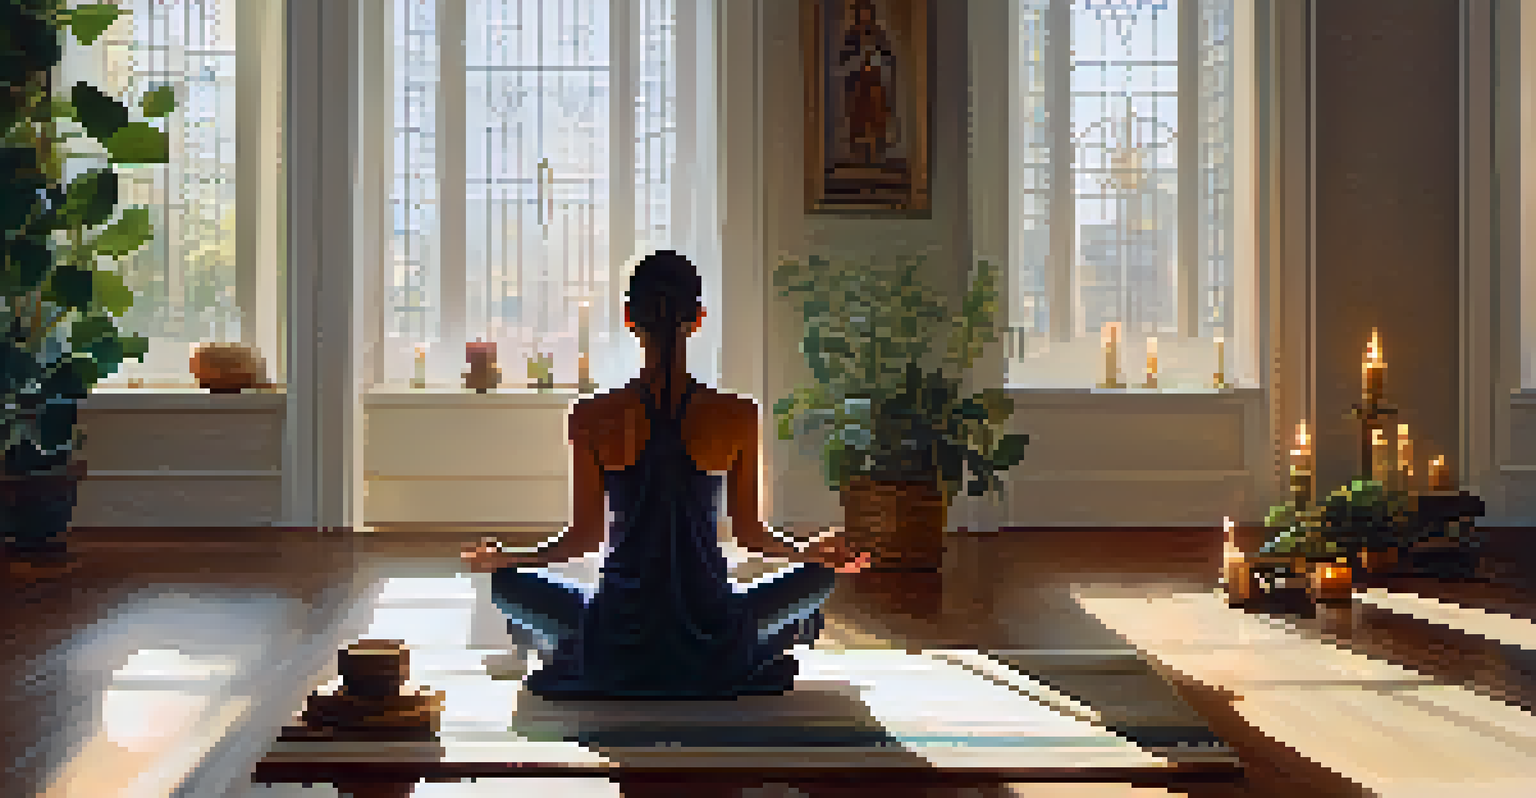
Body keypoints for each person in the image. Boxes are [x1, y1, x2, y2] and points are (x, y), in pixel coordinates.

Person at [462, 250, 871, 699]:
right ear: (698, 318)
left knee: (506, 586)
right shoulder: (736, 414)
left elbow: (581, 540)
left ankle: (566, 651)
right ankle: (761, 646)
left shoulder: (592, 415)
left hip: (616, 635)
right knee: (820, 577)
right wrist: (809, 552)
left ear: (628, 317)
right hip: (714, 631)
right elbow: (752, 536)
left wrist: (509, 558)